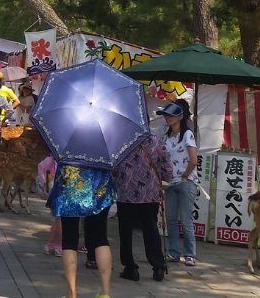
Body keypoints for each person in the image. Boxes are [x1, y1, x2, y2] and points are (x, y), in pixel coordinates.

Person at [48, 163, 115, 298]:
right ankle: (105, 292)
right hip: (100, 181)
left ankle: (71, 293)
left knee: (69, 239)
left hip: (70, 180)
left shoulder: (67, 142)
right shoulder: (105, 142)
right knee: (100, 237)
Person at [113, 133, 173, 282]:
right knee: (150, 227)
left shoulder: (121, 140)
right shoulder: (156, 140)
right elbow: (166, 166)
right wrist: (164, 177)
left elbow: (113, 167)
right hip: (150, 193)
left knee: (125, 230)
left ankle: (130, 267)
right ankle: (158, 266)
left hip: (126, 193)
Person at [158, 101, 200, 267]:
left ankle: (190, 253)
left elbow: (193, 160)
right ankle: (174, 252)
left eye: (171, 115)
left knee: (186, 219)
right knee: (171, 219)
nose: (168, 118)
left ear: (180, 117)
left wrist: (185, 175)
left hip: (186, 181)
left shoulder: (187, 134)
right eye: (166, 115)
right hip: (170, 183)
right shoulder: (165, 136)